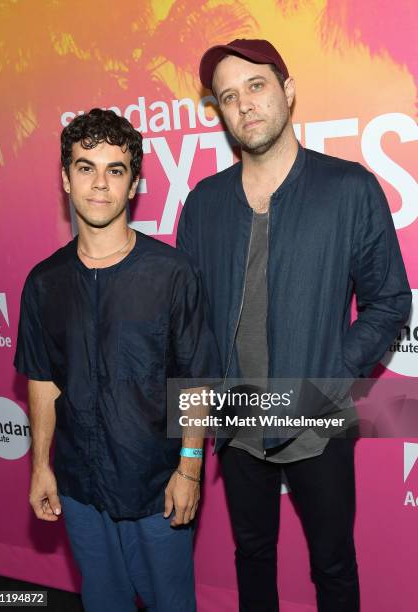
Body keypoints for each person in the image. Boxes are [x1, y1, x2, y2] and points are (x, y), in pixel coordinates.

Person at [177, 39, 412, 611]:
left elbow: (389, 299)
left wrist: (335, 369)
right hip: (235, 419)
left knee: (333, 564)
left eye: (256, 86)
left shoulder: (349, 188)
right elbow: (190, 324)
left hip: (316, 412)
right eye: (229, 97)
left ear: (286, 91)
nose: (245, 105)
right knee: (251, 556)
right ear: (223, 114)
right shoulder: (203, 203)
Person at [14, 108, 218, 612]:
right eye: (86, 167)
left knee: (172, 604)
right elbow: (43, 380)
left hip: (157, 486)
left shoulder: (173, 273)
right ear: (66, 179)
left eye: (115, 169)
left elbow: (194, 382)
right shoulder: (43, 283)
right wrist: (41, 467)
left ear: (134, 185)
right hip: (80, 487)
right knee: (102, 602)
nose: (99, 184)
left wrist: (189, 469)